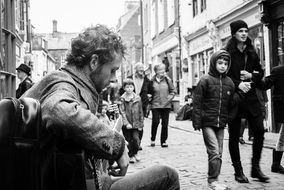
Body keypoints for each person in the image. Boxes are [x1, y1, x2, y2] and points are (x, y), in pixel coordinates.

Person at [22, 25, 180, 190]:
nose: (113, 79)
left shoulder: (72, 84)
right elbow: (60, 113)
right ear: (94, 62)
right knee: (168, 176)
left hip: (85, 182)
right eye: (112, 70)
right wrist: (117, 145)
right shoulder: (61, 81)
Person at [224, 20, 269, 183]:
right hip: (235, 98)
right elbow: (223, 75)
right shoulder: (227, 53)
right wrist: (238, 84)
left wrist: (252, 76)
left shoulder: (252, 51)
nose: (244, 33)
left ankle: (255, 168)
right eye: (240, 31)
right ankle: (238, 171)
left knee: (259, 131)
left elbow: (260, 71)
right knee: (235, 135)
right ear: (234, 33)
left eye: (246, 30)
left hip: (251, 98)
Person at [192, 50, 242, 190]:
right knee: (214, 151)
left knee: (219, 153)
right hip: (207, 122)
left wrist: (240, 95)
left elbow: (231, 103)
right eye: (220, 63)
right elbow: (197, 101)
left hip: (221, 124)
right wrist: (197, 121)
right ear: (214, 63)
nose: (223, 66)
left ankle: (215, 179)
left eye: (225, 64)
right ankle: (212, 180)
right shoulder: (205, 80)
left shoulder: (229, 82)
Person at [119, 62, 151, 150]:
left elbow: (151, 89)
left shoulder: (146, 80)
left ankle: (137, 143)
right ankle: (131, 146)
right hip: (127, 105)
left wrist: (149, 97)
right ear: (136, 69)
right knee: (128, 132)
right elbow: (121, 91)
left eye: (142, 68)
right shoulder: (129, 79)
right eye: (140, 68)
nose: (142, 70)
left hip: (140, 104)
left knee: (139, 126)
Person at [259, 63, 284, 174]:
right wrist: (254, 76)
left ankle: (276, 164)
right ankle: (276, 164)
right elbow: (264, 85)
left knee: (283, 136)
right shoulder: (278, 71)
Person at [148, 63, 176, 148]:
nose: (162, 71)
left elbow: (173, 91)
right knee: (155, 121)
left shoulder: (168, 80)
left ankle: (163, 141)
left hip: (166, 105)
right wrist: (148, 96)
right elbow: (149, 92)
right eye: (160, 70)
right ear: (156, 71)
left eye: (163, 69)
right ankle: (153, 138)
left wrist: (168, 99)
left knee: (165, 123)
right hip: (155, 104)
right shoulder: (151, 81)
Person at [119, 78, 144, 163]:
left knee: (136, 139)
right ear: (124, 88)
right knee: (129, 140)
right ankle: (131, 155)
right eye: (127, 87)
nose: (129, 89)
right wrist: (126, 123)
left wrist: (141, 124)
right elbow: (122, 112)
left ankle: (135, 152)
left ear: (133, 87)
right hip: (127, 124)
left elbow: (141, 111)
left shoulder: (137, 98)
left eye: (131, 87)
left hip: (136, 123)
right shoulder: (122, 99)